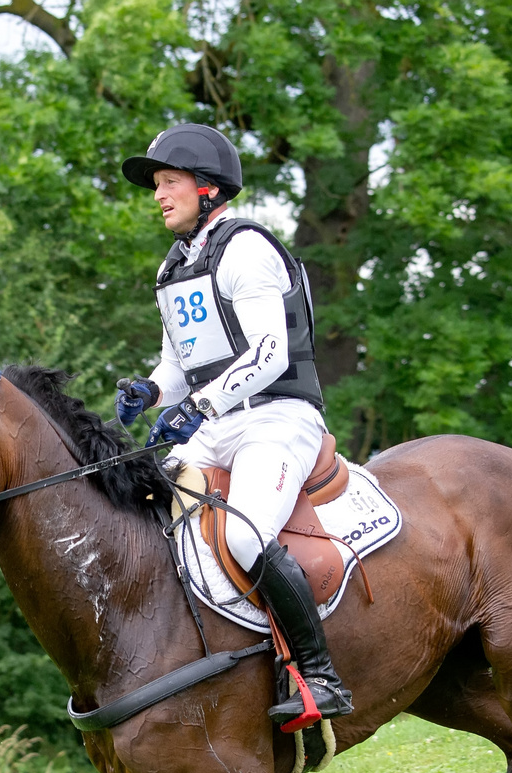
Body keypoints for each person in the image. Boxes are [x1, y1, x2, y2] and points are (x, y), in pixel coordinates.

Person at [116, 123, 353, 724]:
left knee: (245, 536)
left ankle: (320, 675)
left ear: (208, 189)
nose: (159, 195)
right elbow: (179, 366)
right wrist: (149, 391)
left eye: (170, 182)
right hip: (219, 423)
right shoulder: (176, 267)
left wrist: (196, 407)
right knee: (139, 510)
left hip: (277, 418)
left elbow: (269, 353)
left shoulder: (245, 248)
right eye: (158, 185)